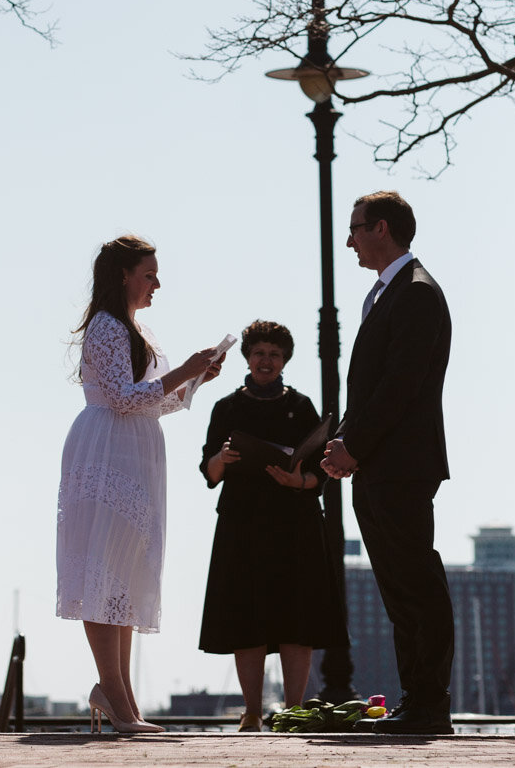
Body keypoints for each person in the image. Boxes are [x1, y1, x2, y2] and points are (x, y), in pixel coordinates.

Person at [56, 234, 223, 735]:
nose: (155, 283)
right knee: (102, 568)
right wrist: (184, 373)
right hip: (108, 448)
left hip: (134, 450)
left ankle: (120, 695)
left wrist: (196, 379)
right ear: (123, 275)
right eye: (148, 273)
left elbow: (154, 401)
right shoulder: (107, 327)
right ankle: (115, 694)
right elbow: (124, 398)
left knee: (125, 573)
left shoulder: (135, 329)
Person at [322, 190, 454, 735]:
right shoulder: (386, 294)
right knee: (399, 589)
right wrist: (346, 441)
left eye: (354, 228)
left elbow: (402, 386)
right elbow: (373, 389)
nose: (348, 240)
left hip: (400, 465)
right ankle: (415, 702)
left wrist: (354, 445)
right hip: (380, 464)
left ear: (381, 228)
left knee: (416, 582)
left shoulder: (416, 293)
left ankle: (428, 705)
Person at [198, 320, 348, 732]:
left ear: (285, 361)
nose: (266, 361)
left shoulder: (301, 407)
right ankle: (250, 713)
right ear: (248, 356)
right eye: (260, 352)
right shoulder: (226, 408)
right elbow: (208, 471)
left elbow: (324, 468)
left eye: (275, 354)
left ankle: (294, 711)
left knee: (297, 620)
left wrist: (298, 480)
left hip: (295, 522)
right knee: (247, 618)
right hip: (242, 523)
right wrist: (222, 461)